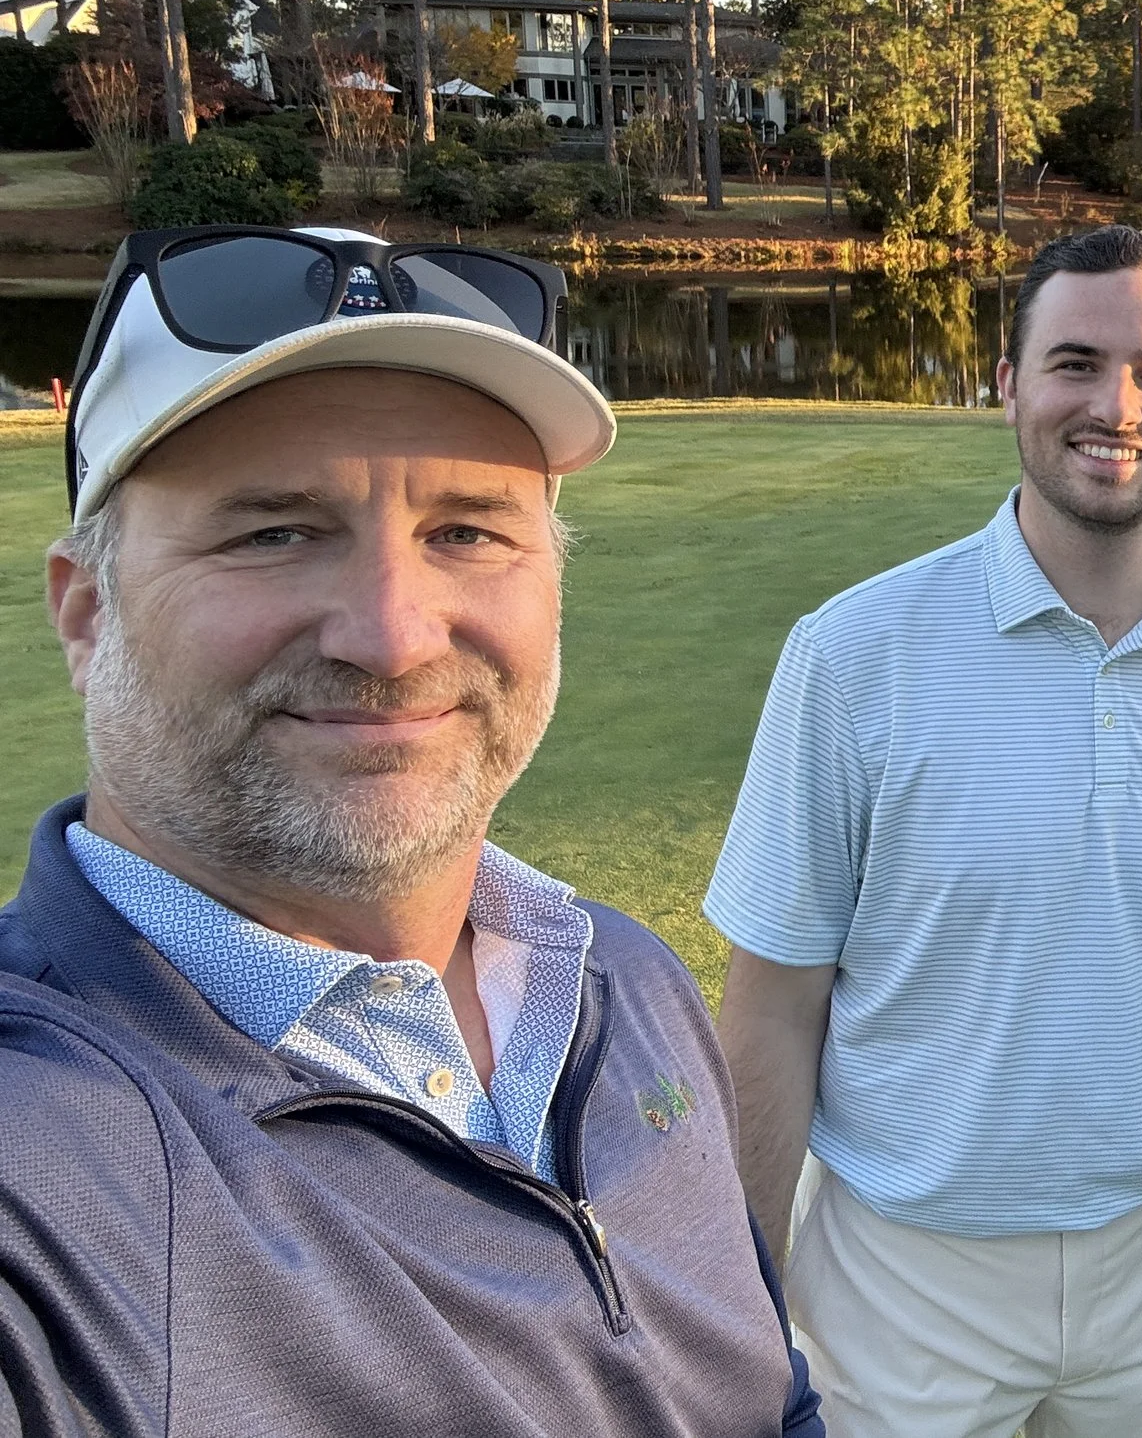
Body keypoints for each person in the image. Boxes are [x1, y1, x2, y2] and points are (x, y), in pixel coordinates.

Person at [2, 224, 822, 1436]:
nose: (392, 636)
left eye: (468, 531)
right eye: (272, 530)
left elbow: (762, 1397)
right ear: (85, 616)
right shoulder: (47, 1157)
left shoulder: (620, 982)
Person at [708, 225, 1142, 1438]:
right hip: (906, 1275)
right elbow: (776, 1004)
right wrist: (745, 1290)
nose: (1117, 404)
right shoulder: (852, 653)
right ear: (1006, 385)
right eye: (1074, 362)